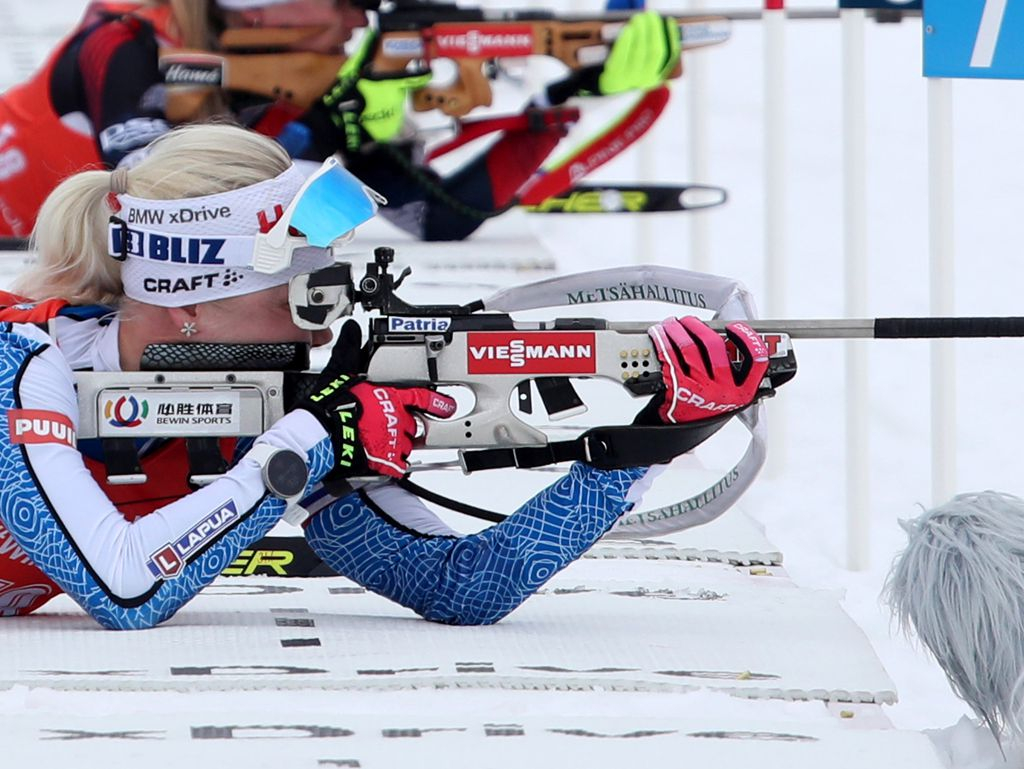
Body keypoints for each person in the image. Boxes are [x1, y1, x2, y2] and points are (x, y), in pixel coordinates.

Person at [0, 121, 769, 628]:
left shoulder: (262, 408)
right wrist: (308, 440)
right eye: (297, 295)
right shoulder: (18, 364)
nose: (323, 322)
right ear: (191, 302)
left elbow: (461, 585)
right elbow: (125, 586)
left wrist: (642, 448)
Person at [0, 0, 682, 239]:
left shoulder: (310, 83)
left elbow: (437, 218)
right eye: (344, 0)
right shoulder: (124, 42)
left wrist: (567, 100)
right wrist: (302, 140)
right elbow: (147, 199)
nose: (359, 20)